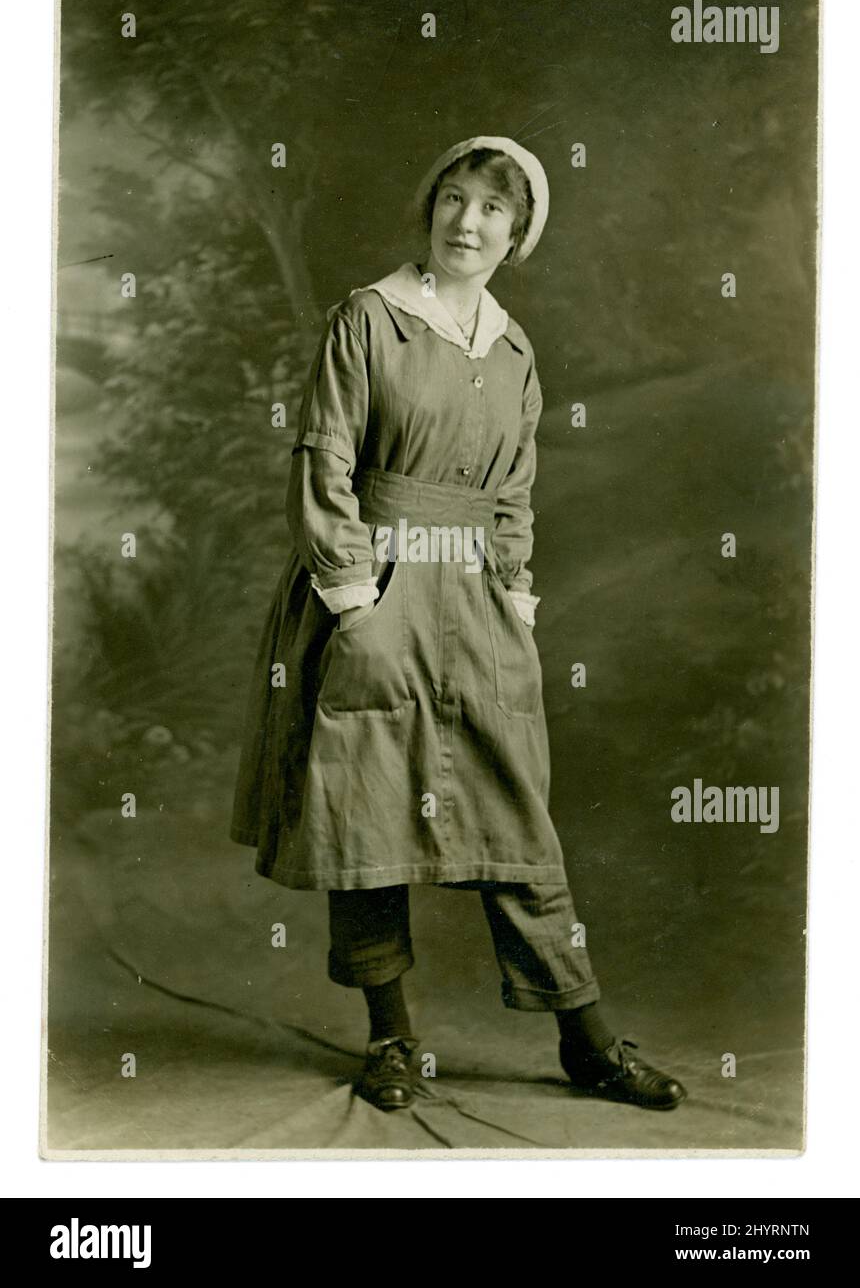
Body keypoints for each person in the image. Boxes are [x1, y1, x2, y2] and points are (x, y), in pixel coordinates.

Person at [230, 134, 687, 1114]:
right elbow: (323, 464)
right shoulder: (367, 319)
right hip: (376, 586)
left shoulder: (515, 350)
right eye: (453, 198)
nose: (466, 221)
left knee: (513, 814)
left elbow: (514, 490)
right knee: (368, 809)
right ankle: (390, 1038)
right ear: (428, 208)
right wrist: (353, 599)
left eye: (491, 208)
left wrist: (514, 598)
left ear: (516, 233)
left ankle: (586, 1037)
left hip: (476, 598)